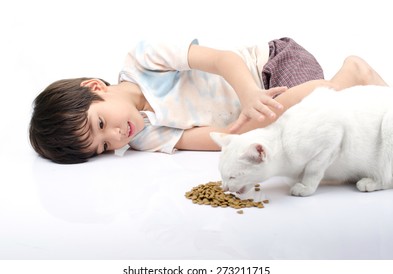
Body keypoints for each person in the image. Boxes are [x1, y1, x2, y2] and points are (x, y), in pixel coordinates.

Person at [29, 37, 387, 164]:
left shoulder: (142, 60)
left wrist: (250, 96)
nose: (117, 137)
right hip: (267, 108)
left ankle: (350, 75)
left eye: (101, 125)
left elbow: (222, 60)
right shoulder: (143, 137)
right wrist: (256, 128)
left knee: (315, 117)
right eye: (104, 147)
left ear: (96, 87)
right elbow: (219, 135)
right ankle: (366, 90)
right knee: (301, 133)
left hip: (271, 65)